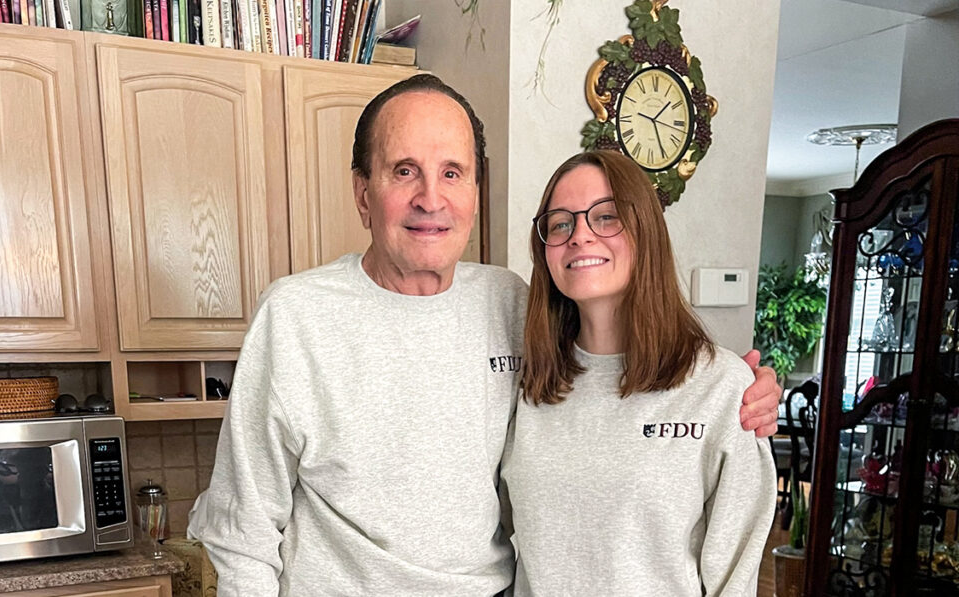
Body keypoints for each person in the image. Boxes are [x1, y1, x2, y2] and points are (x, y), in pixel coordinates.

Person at [188, 74, 781, 596]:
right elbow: (243, 529)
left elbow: (631, 376)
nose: (430, 198)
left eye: (452, 172)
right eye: (403, 171)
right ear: (363, 193)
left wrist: (742, 390)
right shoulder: (296, 316)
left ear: (476, 193)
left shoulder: (510, 306)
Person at [502, 150, 777, 596]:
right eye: (560, 223)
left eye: (606, 217)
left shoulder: (722, 389)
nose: (580, 236)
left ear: (645, 231)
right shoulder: (525, 383)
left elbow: (735, 577)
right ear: (545, 251)